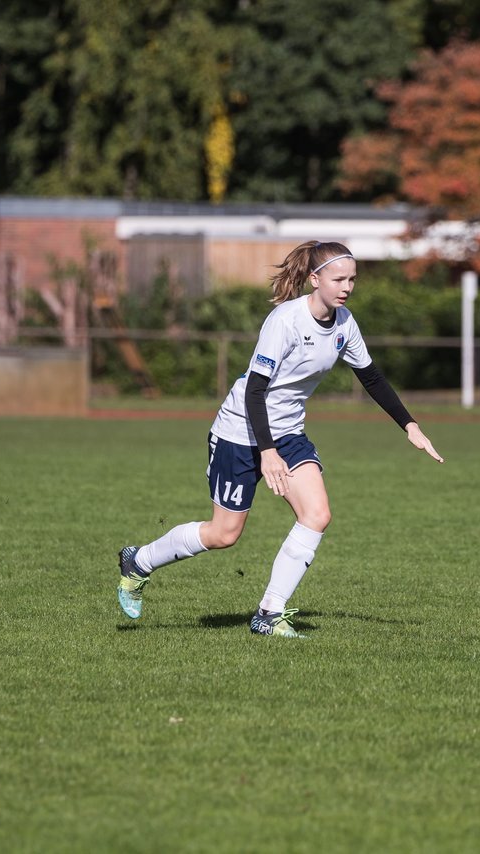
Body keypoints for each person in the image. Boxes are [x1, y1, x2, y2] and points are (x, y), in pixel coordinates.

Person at [116, 241, 444, 637]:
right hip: (240, 431)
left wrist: (408, 425)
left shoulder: (345, 324)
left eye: (352, 279)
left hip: (287, 432)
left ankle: (268, 614)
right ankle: (140, 561)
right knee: (224, 535)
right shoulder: (285, 321)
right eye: (339, 279)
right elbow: (255, 390)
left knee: (317, 515)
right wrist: (266, 453)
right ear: (314, 279)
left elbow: (371, 377)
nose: (347, 287)